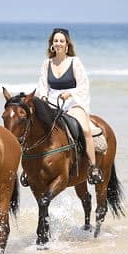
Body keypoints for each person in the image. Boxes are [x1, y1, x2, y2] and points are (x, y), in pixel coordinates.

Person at [35, 27, 103, 185]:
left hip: (73, 103)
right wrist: (43, 97)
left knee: (85, 129)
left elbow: (83, 85)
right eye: (56, 41)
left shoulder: (75, 62)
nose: (58, 43)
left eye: (61, 41)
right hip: (52, 103)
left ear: (67, 45)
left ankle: (93, 167)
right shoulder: (47, 63)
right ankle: (30, 168)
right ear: (52, 44)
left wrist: (70, 94)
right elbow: (42, 85)